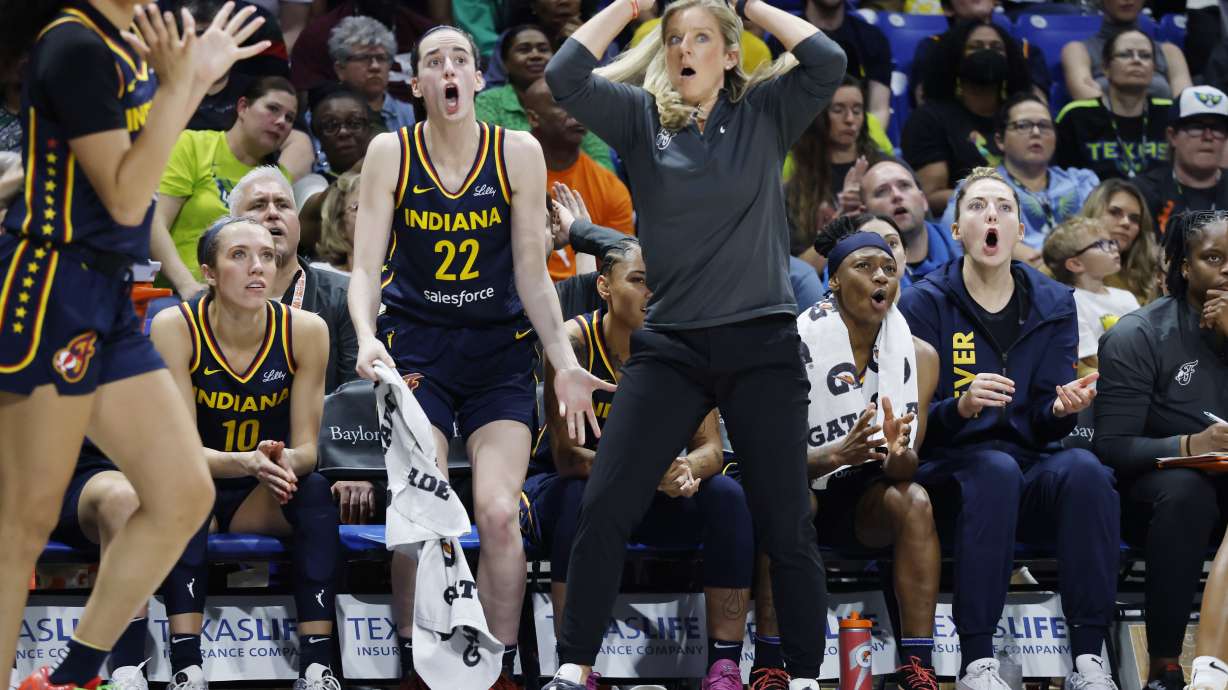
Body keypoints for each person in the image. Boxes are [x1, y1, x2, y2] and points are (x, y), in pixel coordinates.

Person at [543, 0, 848, 684]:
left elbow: (828, 59)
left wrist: (749, 7)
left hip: (762, 345)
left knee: (786, 521)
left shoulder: (766, 112)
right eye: (674, 38)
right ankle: (572, 669)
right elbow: (566, 74)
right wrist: (624, 8)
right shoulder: (640, 119)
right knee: (606, 505)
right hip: (672, 347)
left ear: (731, 54)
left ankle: (802, 674)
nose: (685, 49)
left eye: (702, 38)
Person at [0, 3, 265, 688]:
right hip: (51, 288)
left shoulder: (130, 42)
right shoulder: (73, 46)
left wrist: (188, 82)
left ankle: (69, 677)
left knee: (182, 494)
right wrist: (183, 87)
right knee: (22, 529)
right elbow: (125, 199)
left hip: (109, 293)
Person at [348, 24, 612, 689]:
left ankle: (496, 668)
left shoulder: (518, 151)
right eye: (432, 61)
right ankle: (416, 662)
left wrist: (563, 356)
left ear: (476, 80)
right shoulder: (390, 151)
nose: (447, 70)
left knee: (498, 512)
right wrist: (365, 334)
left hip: (498, 352)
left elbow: (531, 271)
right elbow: (363, 266)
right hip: (419, 348)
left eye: (459, 60)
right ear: (418, 86)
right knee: (420, 510)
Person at [898, 167, 1119, 690]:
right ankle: (978, 660)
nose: (991, 214)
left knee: (1085, 470)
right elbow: (911, 426)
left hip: (1026, 465)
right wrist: (961, 407)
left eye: (1003, 207)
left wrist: (1060, 410)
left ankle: (1090, 658)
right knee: (993, 469)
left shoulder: (1055, 303)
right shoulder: (924, 303)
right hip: (949, 470)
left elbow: (1042, 418)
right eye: (976, 207)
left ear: (1021, 229)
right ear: (956, 230)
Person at [524, 238, 756, 689]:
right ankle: (575, 667)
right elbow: (569, 458)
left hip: (654, 495)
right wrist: (649, 474)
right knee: (582, 498)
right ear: (605, 287)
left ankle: (724, 665)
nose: (653, 293)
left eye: (662, 283)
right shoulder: (574, 344)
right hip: (571, 490)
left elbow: (711, 447)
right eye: (640, 281)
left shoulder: (687, 342)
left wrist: (687, 468)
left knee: (729, 495)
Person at [750, 217, 941, 690]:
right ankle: (772, 662)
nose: (881, 276)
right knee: (791, 502)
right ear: (833, 280)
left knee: (913, 498)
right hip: (803, 482)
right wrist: (835, 456)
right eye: (864, 266)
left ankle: (919, 664)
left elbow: (905, 467)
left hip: (867, 501)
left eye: (888, 268)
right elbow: (767, 462)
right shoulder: (790, 346)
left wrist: (899, 451)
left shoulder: (920, 356)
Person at [152, 216, 339, 690]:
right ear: (209, 272)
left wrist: (279, 462)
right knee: (182, 495)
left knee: (315, 493)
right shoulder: (175, 327)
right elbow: (179, 454)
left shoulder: (306, 330)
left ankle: (317, 666)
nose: (258, 267)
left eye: (267, 256)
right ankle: (186, 667)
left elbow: (309, 451)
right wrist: (246, 461)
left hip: (263, 491)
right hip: (201, 487)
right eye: (239, 256)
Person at [1095, 209, 1228, 690]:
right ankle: (1167, 664)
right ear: (1184, 266)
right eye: (1213, 257)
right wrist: (1191, 445)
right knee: (1186, 490)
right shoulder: (1139, 334)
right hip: (1151, 490)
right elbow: (1110, 446)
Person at [152, 75, 297, 297]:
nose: (281, 122)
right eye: (273, 109)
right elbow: (155, 223)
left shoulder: (277, 177)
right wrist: (186, 285)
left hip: (250, 299)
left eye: (289, 118)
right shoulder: (194, 145)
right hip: (180, 294)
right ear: (243, 107)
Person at [229, 166, 357, 395]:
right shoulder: (207, 304)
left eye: (283, 205)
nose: (272, 213)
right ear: (231, 226)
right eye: (258, 205)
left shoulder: (344, 296)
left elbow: (356, 395)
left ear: (298, 225)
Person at [940, 93, 1101, 268]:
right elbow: (955, 234)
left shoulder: (1082, 182)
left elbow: (1107, 233)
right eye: (1023, 125)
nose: (1036, 132)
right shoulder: (978, 188)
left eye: (1045, 126)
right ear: (1000, 141)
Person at [49, 444, 152, 688]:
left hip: (86, 480)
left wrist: (239, 460)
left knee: (123, 497)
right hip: (18, 475)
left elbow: (172, 448)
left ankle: (129, 671)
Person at [902, 19, 1031, 214]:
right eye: (976, 47)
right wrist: (995, 198)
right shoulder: (928, 119)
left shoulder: (1023, 113)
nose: (987, 52)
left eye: (996, 47)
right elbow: (930, 195)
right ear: (955, 57)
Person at [522, 78, 634, 281]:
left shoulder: (610, 188)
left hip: (584, 303)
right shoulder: (505, 175)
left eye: (578, 103)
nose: (576, 113)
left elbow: (618, 273)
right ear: (533, 118)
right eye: (561, 104)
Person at [474, 24, 614, 171]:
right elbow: (487, 157)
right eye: (524, 50)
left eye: (543, 49)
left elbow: (603, 163)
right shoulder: (489, 101)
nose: (535, 55)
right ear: (505, 62)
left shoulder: (575, 97)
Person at [786, 75, 886, 271]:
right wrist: (840, 225)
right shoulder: (794, 191)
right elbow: (796, 273)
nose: (850, 119)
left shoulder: (887, 171)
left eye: (857, 110)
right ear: (818, 116)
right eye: (838, 110)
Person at [1054, 28, 1173, 183]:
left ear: (1154, 68)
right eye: (1125, 54)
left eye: (1145, 56)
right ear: (1105, 67)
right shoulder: (1077, 115)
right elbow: (1062, 178)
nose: (1136, 60)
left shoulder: (1170, 113)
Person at [1041, 216, 1139, 376]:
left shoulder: (1126, 296)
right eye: (1101, 244)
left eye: (1111, 242)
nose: (1114, 248)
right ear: (1075, 264)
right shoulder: (1070, 302)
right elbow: (1092, 358)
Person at [909, 0, 1050, 106]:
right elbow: (925, 100)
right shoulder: (933, 46)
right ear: (947, 8)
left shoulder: (1023, 49)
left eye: (996, 47)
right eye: (975, 46)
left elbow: (1037, 104)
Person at [1134, 85, 1228, 235]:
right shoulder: (1143, 192)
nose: (1208, 137)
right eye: (1196, 127)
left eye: (1217, 128)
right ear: (1172, 136)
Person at [1060, 0, 1191, 102]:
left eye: (1145, 56)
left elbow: (1185, 104)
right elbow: (1087, 99)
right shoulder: (1078, 50)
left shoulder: (1170, 52)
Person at [792, 0, 891, 128]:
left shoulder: (873, 39)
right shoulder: (781, 38)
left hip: (857, 138)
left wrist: (864, 146)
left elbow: (878, 109)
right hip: (800, 139)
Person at [861, 160, 963, 281]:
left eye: (904, 185)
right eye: (882, 191)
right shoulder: (853, 271)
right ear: (865, 213)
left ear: (924, 200)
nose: (896, 195)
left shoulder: (966, 249)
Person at [1078, 178, 1161, 304]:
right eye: (1115, 212)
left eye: (1134, 219)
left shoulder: (1153, 277)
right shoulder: (1059, 264)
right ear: (1092, 213)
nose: (1126, 223)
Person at [327, 15, 415, 133]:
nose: (375, 66)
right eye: (364, 58)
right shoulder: (325, 116)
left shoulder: (411, 115)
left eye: (381, 58)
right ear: (340, 69)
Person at [313, 171, 359, 275]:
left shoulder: (399, 280)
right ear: (339, 227)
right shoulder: (320, 276)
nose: (372, 214)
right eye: (358, 207)